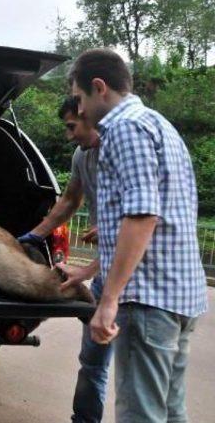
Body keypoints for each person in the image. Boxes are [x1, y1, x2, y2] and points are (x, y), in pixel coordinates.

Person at [68, 49, 208, 422]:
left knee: (140, 414)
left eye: (79, 100)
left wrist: (109, 299)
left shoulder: (124, 128)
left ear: (99, 88)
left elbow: (143, 216)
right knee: (170, 410)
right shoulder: (158, 123)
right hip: (180, 294)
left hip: (148, 298)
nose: (79, 111)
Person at [18, 96, 111, 423]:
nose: (69, 135)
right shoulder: (81, 155)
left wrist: (90, 264)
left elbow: (141, 223)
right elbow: (70, 198)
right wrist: (36, 234)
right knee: (93, 363)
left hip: (141, 283)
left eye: (73, 126)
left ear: (91, 116)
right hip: (107, 275)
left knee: (139, 379)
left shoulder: (124, 150)